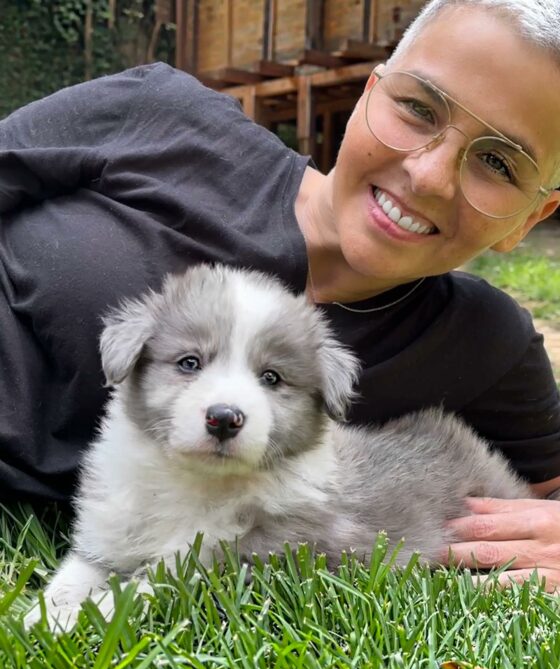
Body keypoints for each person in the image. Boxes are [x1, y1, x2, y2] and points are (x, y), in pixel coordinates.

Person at [1, 0, 560, 588]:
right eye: (419, 108)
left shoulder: (483, 344)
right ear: (369, 94)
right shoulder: (159, 113)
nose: (428, 175)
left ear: (531, 217)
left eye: (498, 162)